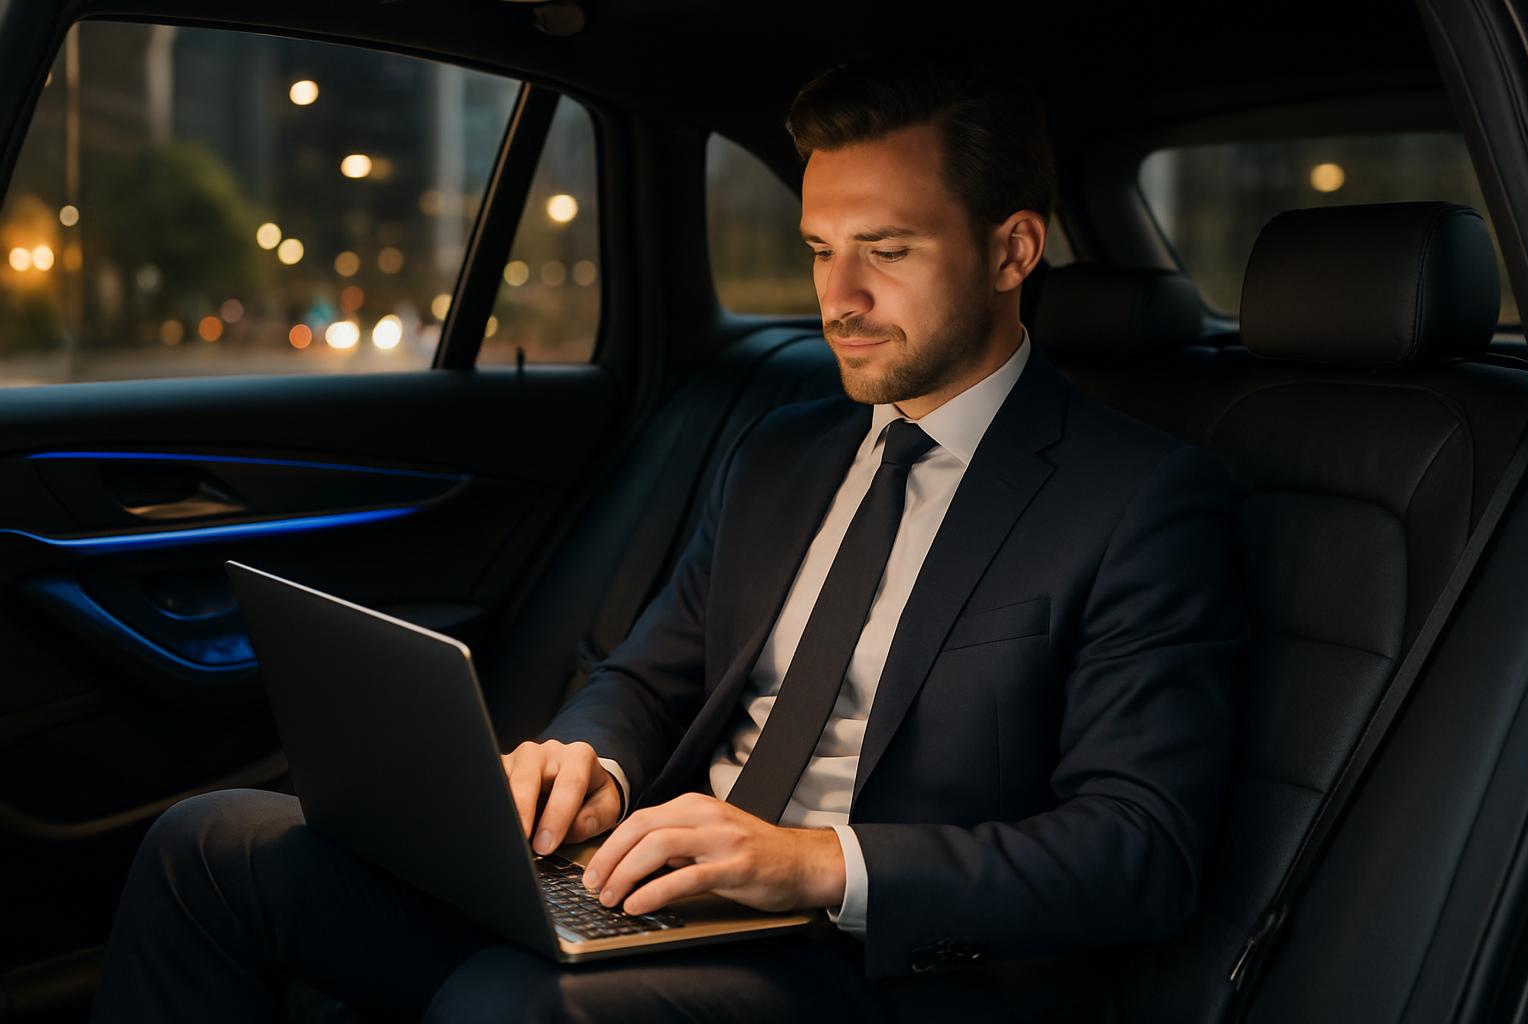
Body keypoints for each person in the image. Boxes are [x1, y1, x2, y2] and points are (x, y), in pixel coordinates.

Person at [89, 58, 1244, 1023]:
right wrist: (587, 762)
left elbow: (1137, 851)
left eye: (886, 251)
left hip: (878, 967)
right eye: (816, 248)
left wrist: (810, 864)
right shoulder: (783, 451)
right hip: (658, 891)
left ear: (1012, 252)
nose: (837, 297)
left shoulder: (1139, 499)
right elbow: (649, 671)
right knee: (209, 847)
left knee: (509, 1004)